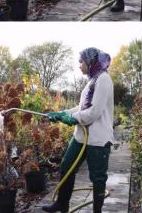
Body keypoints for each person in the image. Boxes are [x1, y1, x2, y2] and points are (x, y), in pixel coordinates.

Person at [42, 48, 114, 213]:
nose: (79, 65)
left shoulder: (103, 79)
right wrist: (63, 114)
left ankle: (97, 211)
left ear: (90, 62)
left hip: (97, 139)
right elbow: (81, 107)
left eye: (81, 61)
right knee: (66, 166)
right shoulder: (92, 80)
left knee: (98, 178)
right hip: (81, 136)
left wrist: (74, 118)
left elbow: (94, 112)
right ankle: (62, 204)